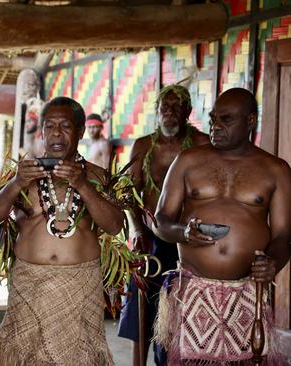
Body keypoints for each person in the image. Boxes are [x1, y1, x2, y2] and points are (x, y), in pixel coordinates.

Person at [0, 96, 124, 365]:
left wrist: (82, 185)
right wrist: (15, 184)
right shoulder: (23, 174)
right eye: (49, 126)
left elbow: (114, 226)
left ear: (80, 131)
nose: (56, 133)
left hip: (80, 287)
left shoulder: (97, 177)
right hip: (30, 285)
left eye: (65, 126)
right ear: (42, 131)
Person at [153, 87, 290, 365]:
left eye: (226, 120)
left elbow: (284, 234)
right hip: (193, 292)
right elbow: (161, 221)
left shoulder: (275, 169)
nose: (215, 126)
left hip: (248, 292)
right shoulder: (188, 161)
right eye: (213, 118)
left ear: (250, 121)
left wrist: (273, 262)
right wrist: (184, 233)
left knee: (246, 360)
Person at [117, 84, 208, 365]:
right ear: (157, 112)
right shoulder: (144, 146)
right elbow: (129, 194)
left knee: (182, 310)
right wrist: (137, 230)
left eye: (176, 107)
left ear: (188, 112)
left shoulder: (202, 144)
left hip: (188, 239)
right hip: (150, 239)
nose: (169, 112)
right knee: (142, 308)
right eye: (164, 107)